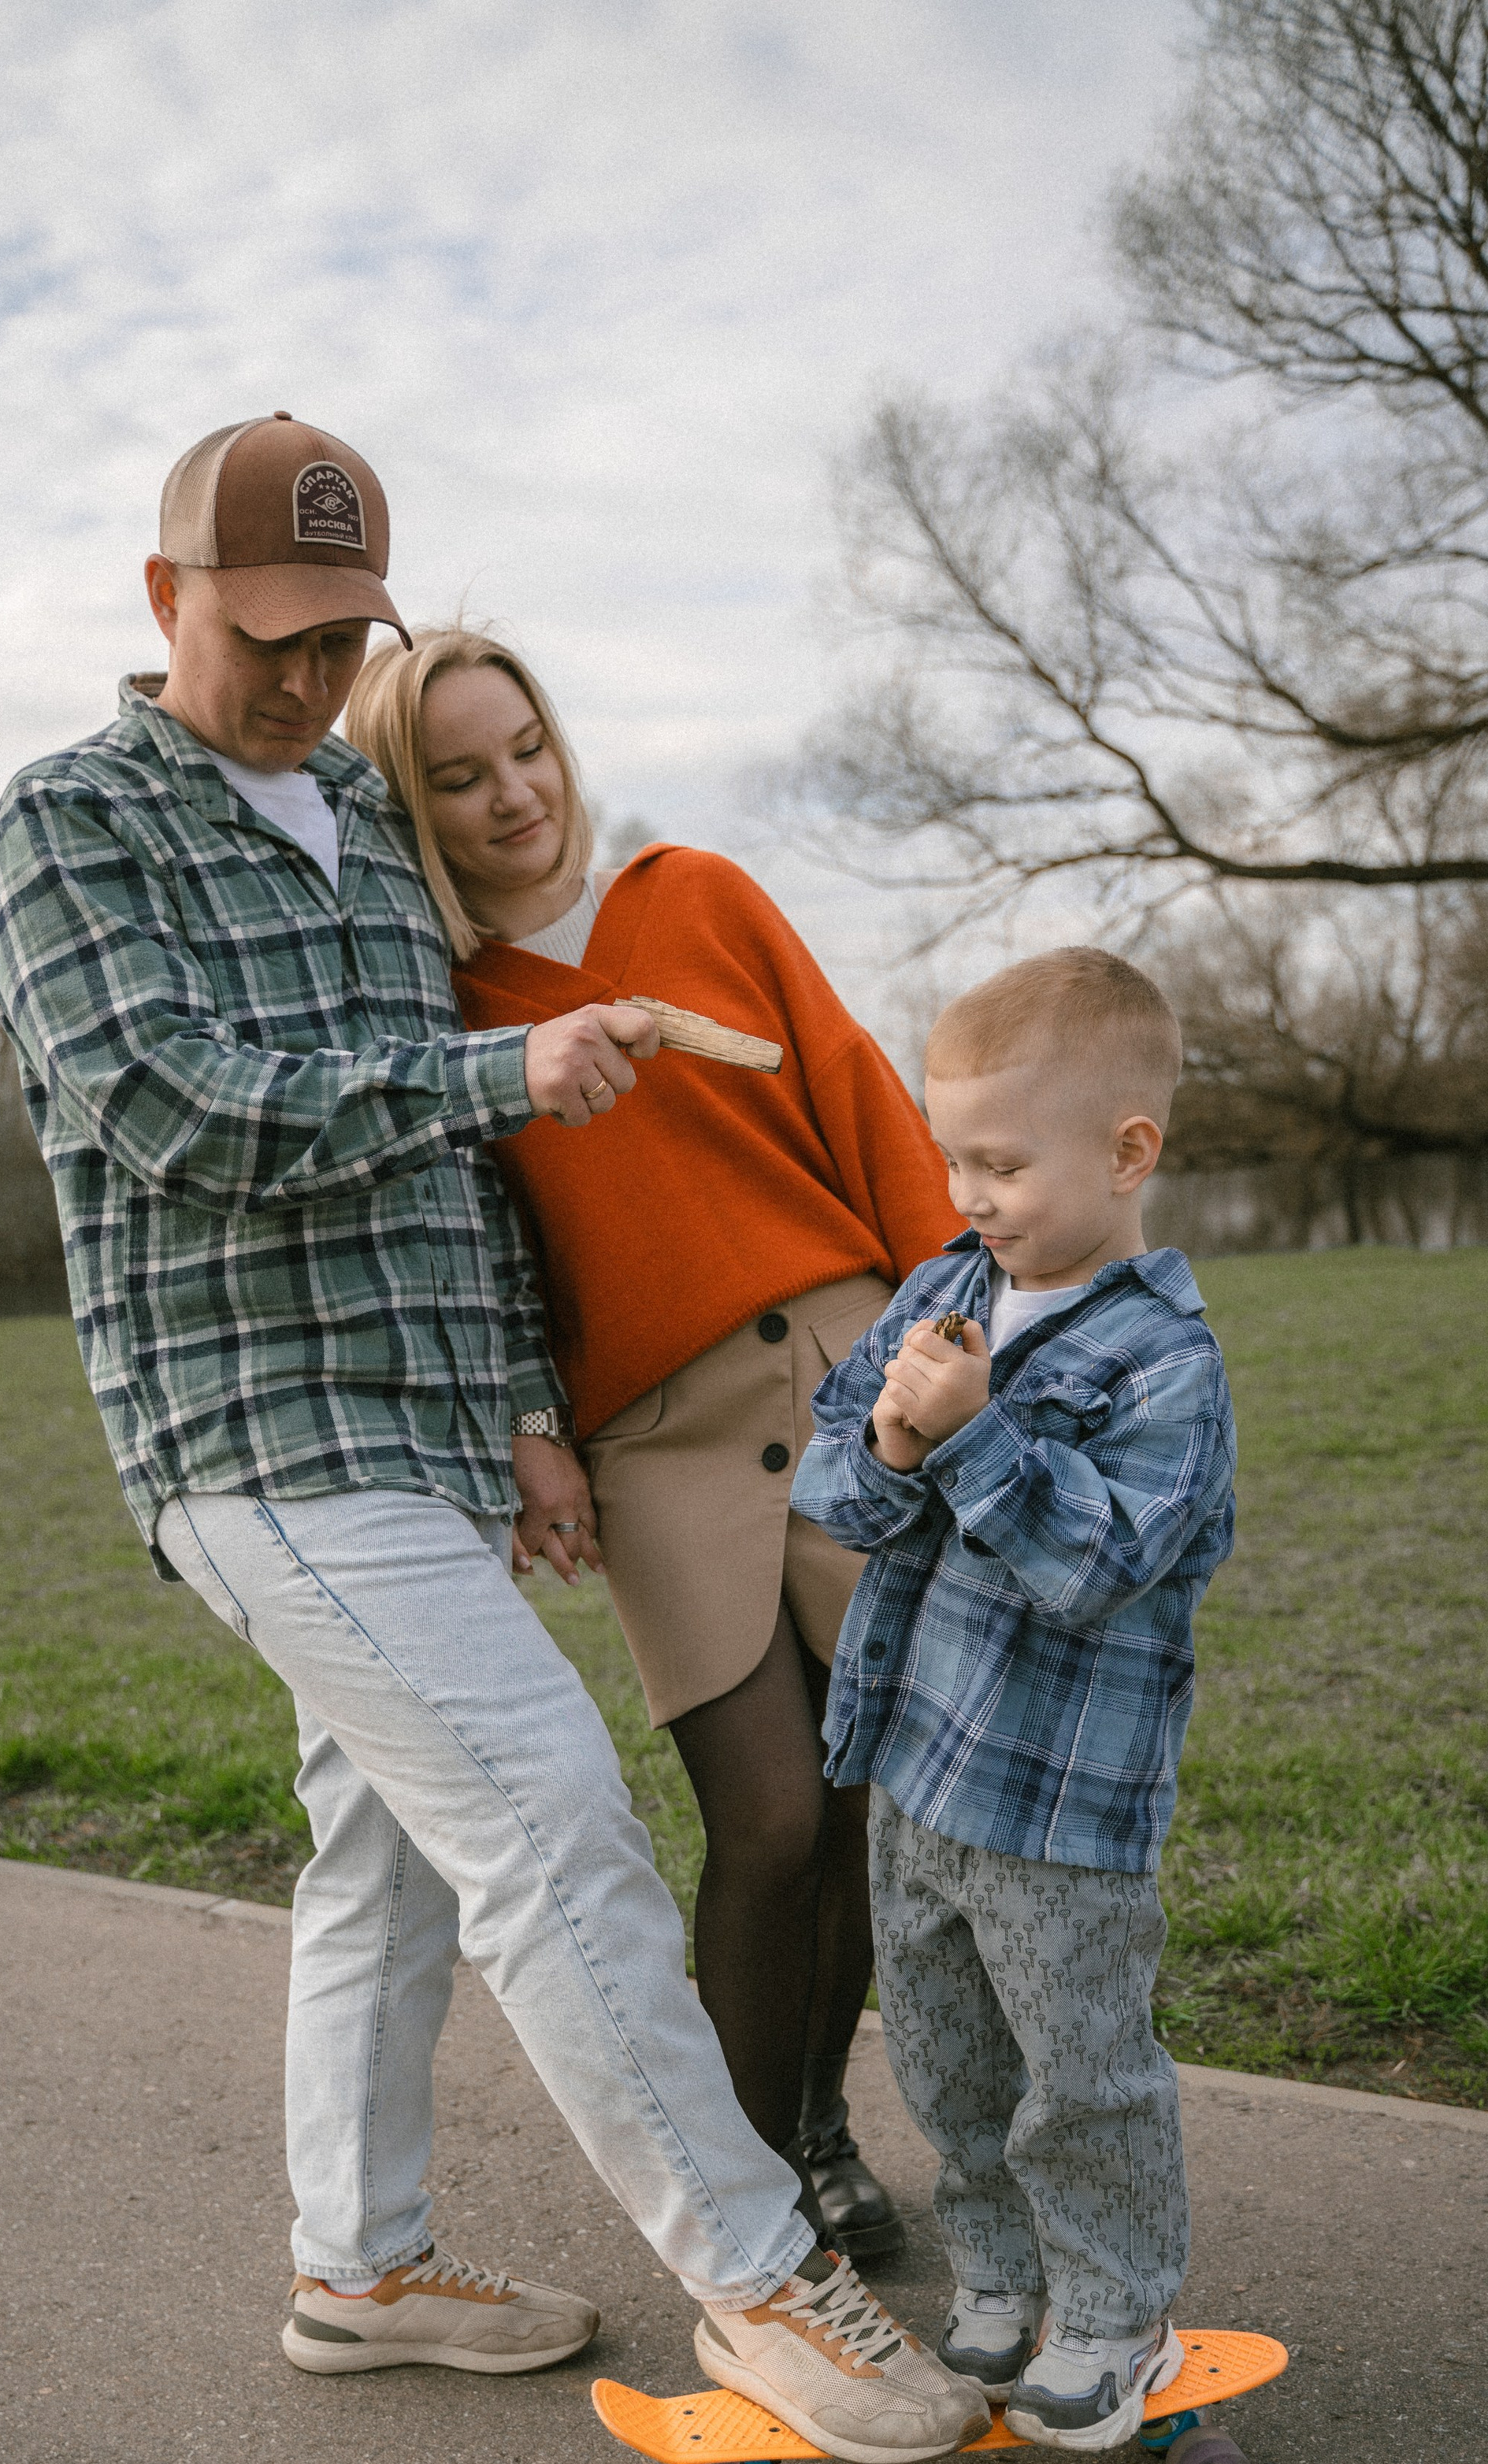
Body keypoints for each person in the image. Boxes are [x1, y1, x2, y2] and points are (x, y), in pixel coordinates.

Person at [0, 407, 982, 2464]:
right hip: (259, 1429)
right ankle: (761, 2269)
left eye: (338, 635)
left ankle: (360, 2266)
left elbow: (459, 1186)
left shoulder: (366, 823)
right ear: (165, 596)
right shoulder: (73, 825)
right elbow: (171, 1102)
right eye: (264, 631)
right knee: (545, 1806)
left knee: (381, 1852)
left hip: (427, 1437)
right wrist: (503, 1069)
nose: (302, 675)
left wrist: (521, 1406)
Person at [345, 624, 956, 2259]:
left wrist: (957, 1330)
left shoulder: (699, 896)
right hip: (658, 1443)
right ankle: (749, 2220)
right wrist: (532, 1425)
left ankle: (817, 2132)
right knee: (768, 1817)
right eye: (458, 777)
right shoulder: (452, 1014)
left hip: (852, 1381)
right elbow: (482, 1252)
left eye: (525, 749)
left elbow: (861, 1099)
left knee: (865, 1808)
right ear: (410, 805)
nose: (512, 794)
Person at [791, 949, 1237, 2450]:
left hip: (1060, 1797)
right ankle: (998, 2270)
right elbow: (838, 1483)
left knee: (1081, 2067)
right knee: (945, 2053)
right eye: (952, 1158)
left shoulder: (1166, 1365)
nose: (969, 1193)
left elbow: (1098, 1567)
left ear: (1127, 1151)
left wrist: (973, 1438)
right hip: (918, 1764)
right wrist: (897, 1445)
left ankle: (1114, 2309)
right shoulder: (946, 1287)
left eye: (1001, 1163)